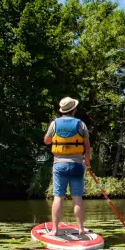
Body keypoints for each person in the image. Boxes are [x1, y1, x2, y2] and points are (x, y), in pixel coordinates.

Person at [43, 97, 91, 237]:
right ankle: (81, 228)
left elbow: (47, 141)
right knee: (77, 198)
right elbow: (87, 146)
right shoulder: (81, 124)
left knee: (58, 197)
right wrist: (87, 161)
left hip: (59, 164)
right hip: (77, 165)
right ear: (74, 109)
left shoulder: (54, 124)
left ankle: (55, 230)